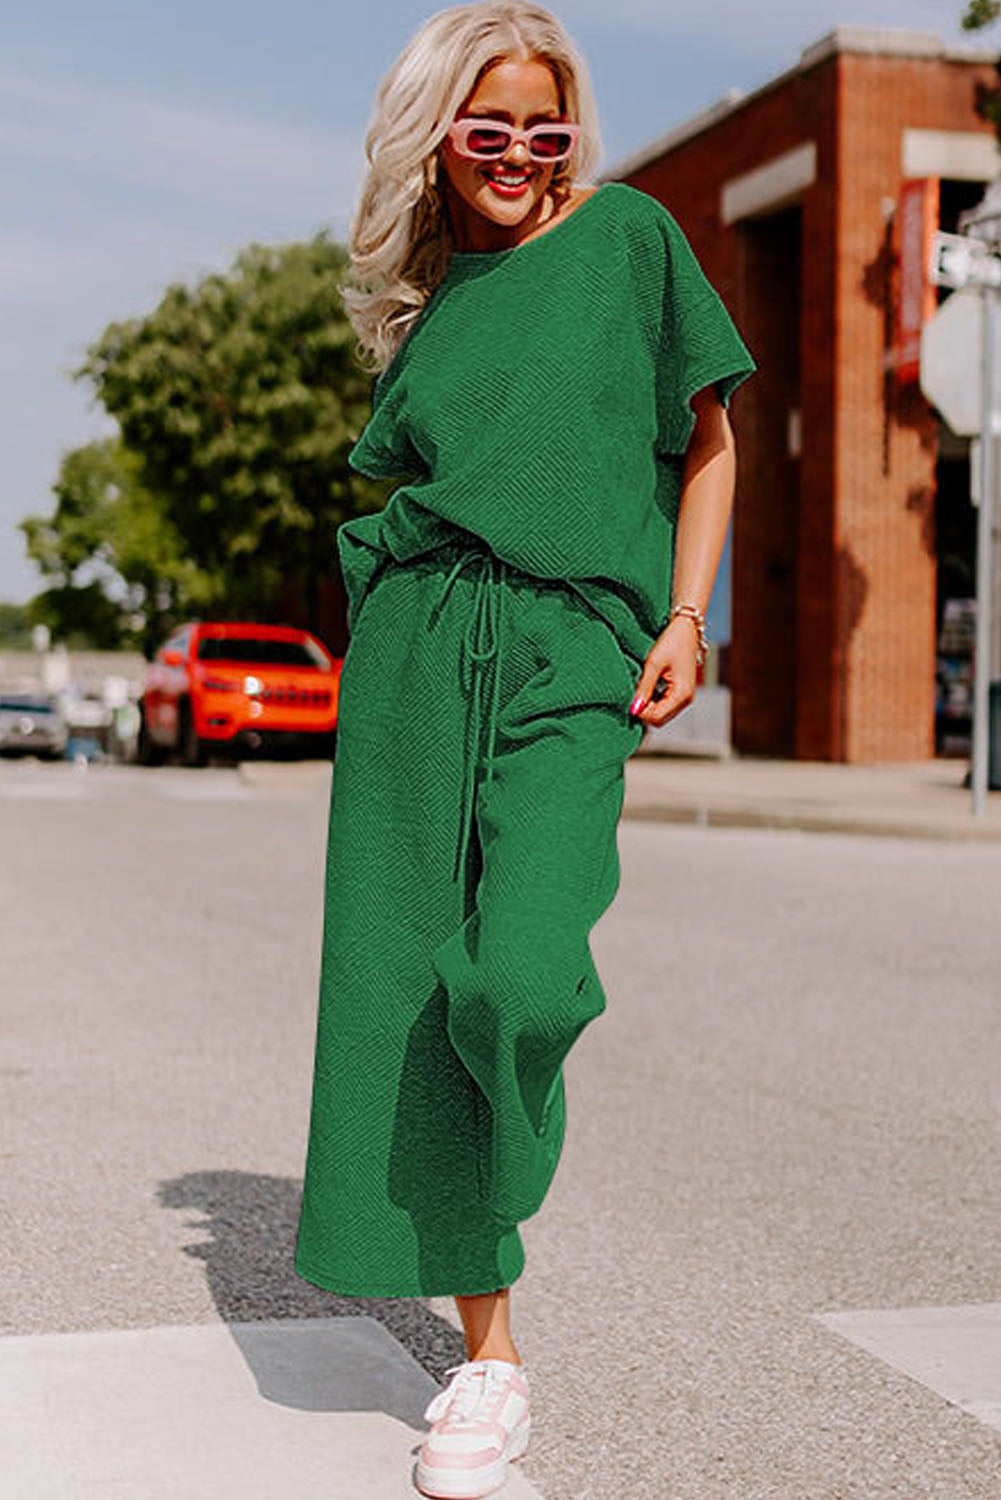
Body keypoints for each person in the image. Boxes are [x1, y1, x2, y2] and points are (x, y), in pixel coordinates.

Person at [294, 3, 757, 1495]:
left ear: (573, 140)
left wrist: (686, 619)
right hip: (420, 655)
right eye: (482, 131)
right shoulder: (432, 312)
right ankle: (489, 1358)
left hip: (577, 652)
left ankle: (493, 1190)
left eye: (540, 131)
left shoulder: (628, 240)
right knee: (400, 996)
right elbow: (409, 487)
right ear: (437, 140)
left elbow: (710, 439)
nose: (512, 156)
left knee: (519, 972)